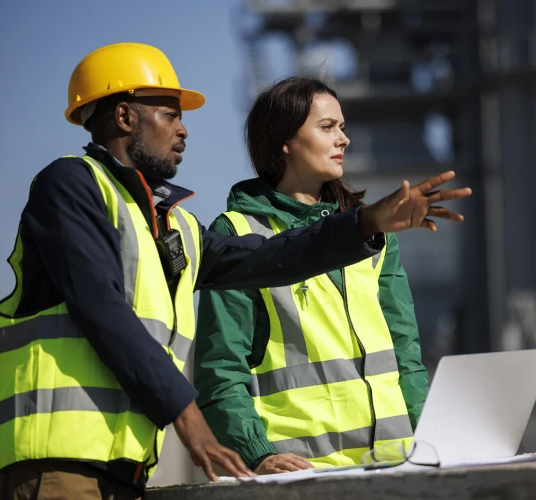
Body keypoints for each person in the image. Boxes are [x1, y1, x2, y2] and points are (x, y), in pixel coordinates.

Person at [0, 44, 471, 498]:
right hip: (55, 460)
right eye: (170, 115)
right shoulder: (69, 186)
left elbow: (270, 258)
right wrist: (189, 418)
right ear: (126, 116)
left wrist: (365, 222)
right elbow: (102, 310)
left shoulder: (172, 224)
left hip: (123, 464)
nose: (184, 129)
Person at [194, 76, 470, 474]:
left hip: (396, 467)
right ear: (283, 140)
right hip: (303, 474)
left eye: (342, 127)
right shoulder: (238, 234)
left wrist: (434, 437)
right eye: (327, 127)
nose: (344, 139)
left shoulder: (373, 234)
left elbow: (404, 355)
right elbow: (220, 369)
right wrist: (257, 453)